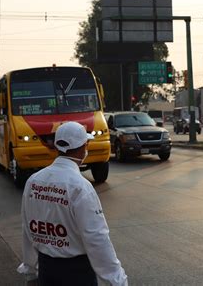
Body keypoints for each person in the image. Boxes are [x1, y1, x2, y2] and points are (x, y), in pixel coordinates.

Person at [17, 121, 128, 286]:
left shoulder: (34, 181)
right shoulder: (80, 187)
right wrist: (117, 281)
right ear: (84, 147)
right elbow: (97, 238)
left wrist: (30, 271)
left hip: (46, 271)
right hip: (77, 273)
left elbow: (27, 229)